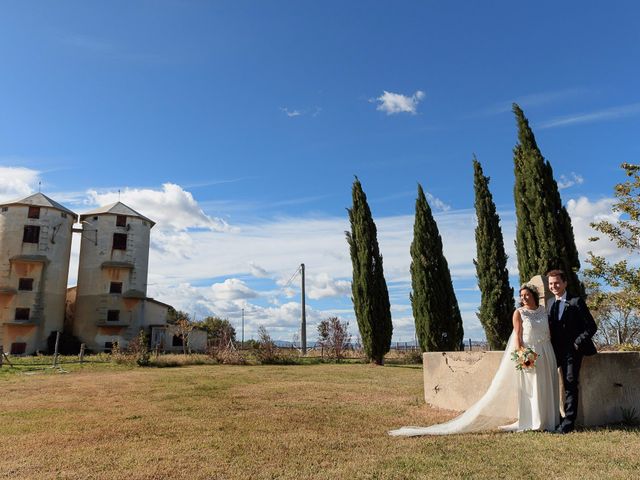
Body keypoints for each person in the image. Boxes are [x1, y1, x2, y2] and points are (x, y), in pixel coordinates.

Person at [388, 284, 558, 436]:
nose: (524, 298)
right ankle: (533, 421)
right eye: (521, 296)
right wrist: (523, 356)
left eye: (526, 295)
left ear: (534, 295)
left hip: (546, 350)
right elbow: (518, 337)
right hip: (529, 352)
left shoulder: (543, 310)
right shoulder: (519, 313)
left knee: (545, 384)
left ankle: (547, 420)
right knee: (531, 387)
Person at [546, 269, 597, 434]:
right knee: (549, 383)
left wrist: (577, 343)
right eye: (551, 284)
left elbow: (591, 327)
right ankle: (556, 419)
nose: (554, 286)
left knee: (570, 384)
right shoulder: (549, 304)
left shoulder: (576, 301)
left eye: (557, 283)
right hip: (554, 351)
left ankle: (568, 423)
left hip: (572, 352)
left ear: (565, 283)